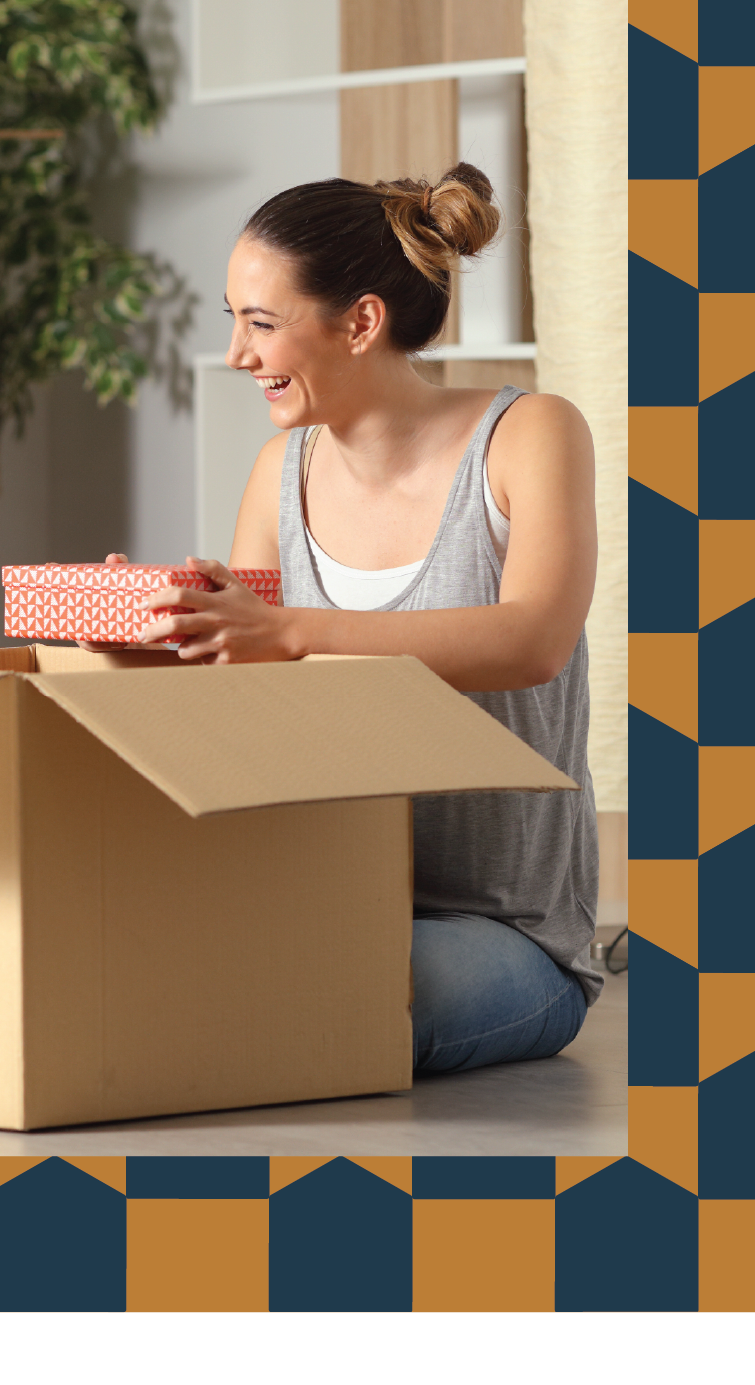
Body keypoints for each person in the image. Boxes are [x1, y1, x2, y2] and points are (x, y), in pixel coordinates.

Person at [97, 164, 601, 1076]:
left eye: (261, 322)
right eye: (234, 320)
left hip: (499, 927)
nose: (239, 355)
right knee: (140, 973)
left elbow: (534, 640)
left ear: (360, 322)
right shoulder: (277, 472)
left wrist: (292, 630)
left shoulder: (530, 435)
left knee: (318, 1007)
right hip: (319, 892)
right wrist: (161, 616)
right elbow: (243, 684)